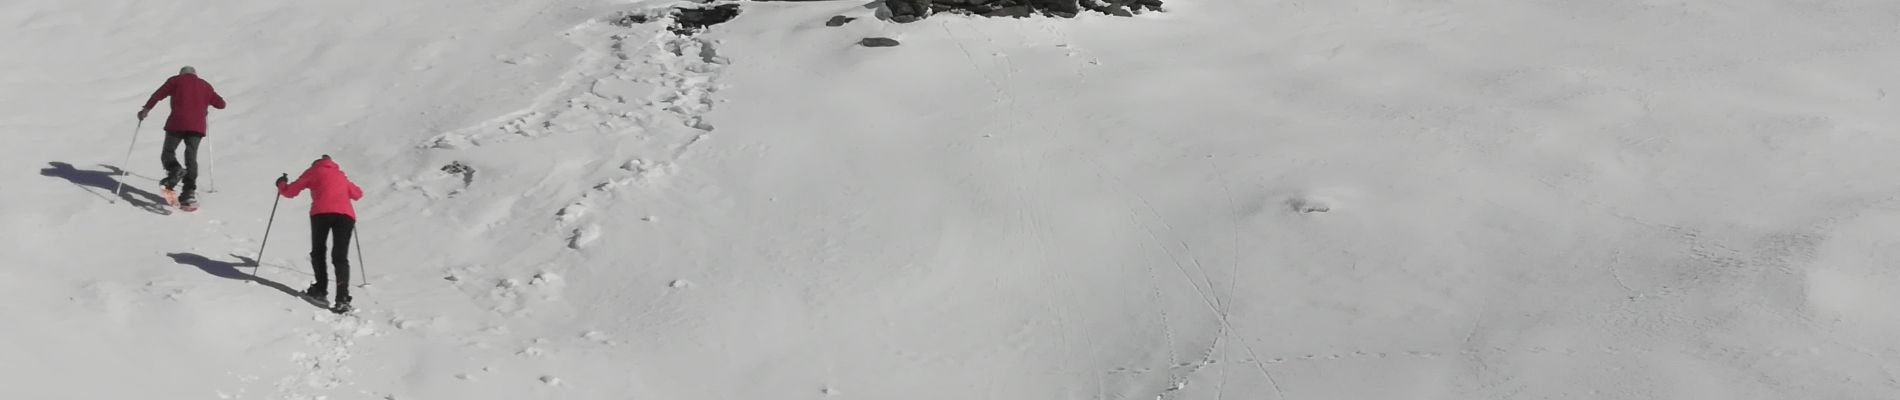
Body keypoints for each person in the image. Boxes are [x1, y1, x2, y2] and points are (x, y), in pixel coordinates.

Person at [277, 155, 365, 312]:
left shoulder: (313, 171)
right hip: (346, 216)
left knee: (318, 252)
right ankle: (342, 299)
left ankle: (320, 290)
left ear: (316, 163)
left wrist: (281, 184)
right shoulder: (340, 174)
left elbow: (290, 192)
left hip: (321, 213)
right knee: (340, 257)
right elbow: (357, 194)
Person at [138, 66, 227, 207]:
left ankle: (175, 171)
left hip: (177, 123)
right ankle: (188, 192)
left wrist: (146, 109)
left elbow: (157, 95)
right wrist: (204, 103)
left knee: (168, 152)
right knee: (191, 157)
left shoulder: (175, 80)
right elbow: (221, 104)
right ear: (195, 74)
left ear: (181, 73)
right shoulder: (205, 85)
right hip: (197, 127)